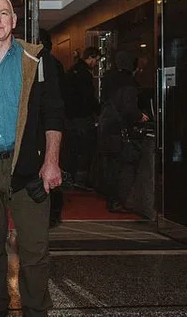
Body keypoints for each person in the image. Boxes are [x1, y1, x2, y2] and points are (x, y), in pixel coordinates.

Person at [0, 0, 64, 317]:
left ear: (14, 20)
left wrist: (51, 161)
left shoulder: (37, 60)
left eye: (3, 13)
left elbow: (53, 114)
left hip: (29, 166)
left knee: (35, 250)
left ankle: (36, 310)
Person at [98, 51, 149, 213]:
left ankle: (112, 198)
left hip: (107, 126)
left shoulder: (108, 78)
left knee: (110, 165)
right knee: (122, 166)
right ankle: (118, 200)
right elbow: (129, 109)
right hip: (119, 129)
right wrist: (140, 116)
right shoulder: (129, 83)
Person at [39, 28, 66, 228]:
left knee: (51, 168)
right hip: (47, 124)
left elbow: (55, 102)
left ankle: (52, 214)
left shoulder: (48, 63)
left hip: (49, 126)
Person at [63, 46, 100, 190]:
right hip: (82, 117)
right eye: (96, 60)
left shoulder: (72, 71)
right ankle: (81, 180)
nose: (96, 64)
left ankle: (71, 178)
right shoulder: (84, 74)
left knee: (72, 149)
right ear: (90, 57)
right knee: (85, 149)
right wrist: (98, 110)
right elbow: (88, 97)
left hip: (70, 116)